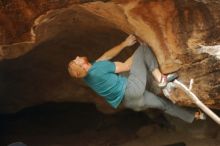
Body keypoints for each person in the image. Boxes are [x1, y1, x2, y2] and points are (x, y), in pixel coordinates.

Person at [68, 35, 204, 123]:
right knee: (143, 49)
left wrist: (124, 44)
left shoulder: (87, 76)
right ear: (82, 65)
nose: (77, 57)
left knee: (164, 105)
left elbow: (104, 57)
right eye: (76, 60)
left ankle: (196, 116)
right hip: (131, 89)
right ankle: (161, 79)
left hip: (130, 103)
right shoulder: (99, 68)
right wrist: (139, 51)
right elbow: (126, 66)